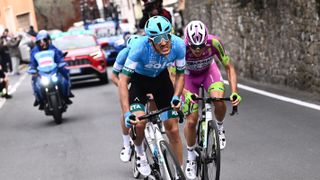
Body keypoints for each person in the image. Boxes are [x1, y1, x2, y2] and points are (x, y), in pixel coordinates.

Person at [118, 16, 186, 177]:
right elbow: (122, 80)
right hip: (139, 82)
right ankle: (140, 153)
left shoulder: (179, 45)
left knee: (173, 129)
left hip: (161, 81)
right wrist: (127, 112)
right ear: (150, 40)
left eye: (166, 37)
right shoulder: (139, 48)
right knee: (140, 123)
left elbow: (181, 75)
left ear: (171, 34)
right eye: (158, 39)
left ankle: (179, 173)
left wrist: (177, 96)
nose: (163, 42)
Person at [181, 20, 242, 179]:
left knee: (218, 99)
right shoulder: (180, 48)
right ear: (188, 42)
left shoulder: (214, 42)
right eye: (194, 47)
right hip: (188, 79)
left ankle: (219, 128)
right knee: (192, 120)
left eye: (201, 46)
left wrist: (234, 92)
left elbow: (229, 67)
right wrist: (185, 93)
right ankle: (191, 157)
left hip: (209, 72)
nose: (198, 50)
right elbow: (174, 78)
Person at [111, 34, 141, 162]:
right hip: (127, 81)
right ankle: (126, 144)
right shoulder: (123, 55)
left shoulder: (143, 52)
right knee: (126, 110)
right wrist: (122, 87)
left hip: (142, 80)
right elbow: (113, 76)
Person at [29, 30, 73, 110]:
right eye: (40, 41)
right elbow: (32, 61)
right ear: (37, 42)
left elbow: (58, 56)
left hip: (54, 69)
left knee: (64, 74)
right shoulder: (34, 50)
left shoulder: (52, 48)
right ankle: (38, 99)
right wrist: (32, 68)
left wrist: (62, 62)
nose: (43, 43)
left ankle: (67, 94)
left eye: (45, 40)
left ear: (49, 40)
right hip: (41, 71)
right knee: (34, 80)